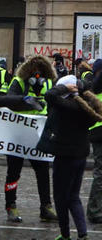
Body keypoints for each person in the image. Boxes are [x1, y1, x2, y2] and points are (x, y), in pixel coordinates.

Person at [37, 75, 102, 240]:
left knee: (60, 196)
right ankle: (83, 233)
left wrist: (65, 88)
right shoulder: (86, 107)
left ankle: (65, 234)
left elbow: (50, 95)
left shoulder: (66, 106)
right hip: (80, 155)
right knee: (74, 196)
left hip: (65, 156)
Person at [5, 55, 58, 222]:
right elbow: (9, 100)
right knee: (13, 172)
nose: (37, 77)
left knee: (43, 171)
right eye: (34, 73)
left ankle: (46, 206)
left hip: (38, 135)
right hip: (18, 135)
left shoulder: (49, 83)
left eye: (41, 73)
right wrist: (26, 102)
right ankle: (11, 206)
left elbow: (55, 105)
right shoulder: (19, 82)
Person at [87, 59, 102, 223]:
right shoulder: (96, 86)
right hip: (99, 132)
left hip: (96, 132)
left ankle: (96, 209)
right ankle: (94, 210)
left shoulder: (93, 87)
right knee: (100, 174)